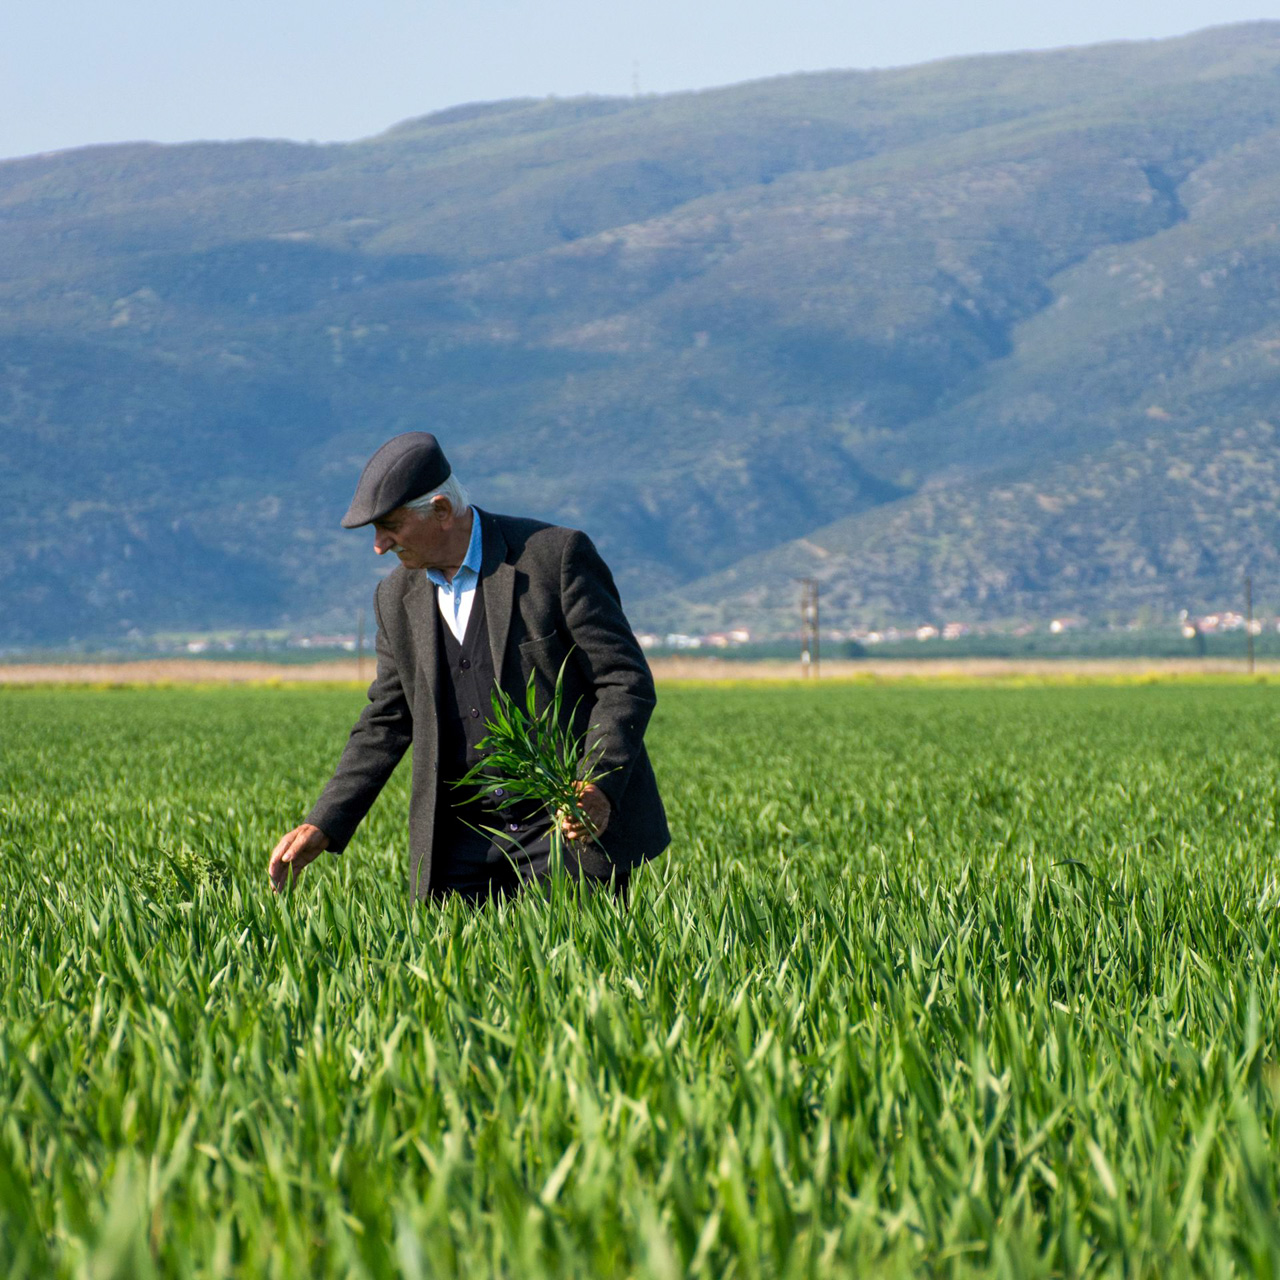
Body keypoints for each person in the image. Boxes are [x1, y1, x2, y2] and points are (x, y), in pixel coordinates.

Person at [267, 431, 669, 901]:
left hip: (564, 831)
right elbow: (387, 719)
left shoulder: (553, 559)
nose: (379, 546)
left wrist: (595, 784)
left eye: (389, 526)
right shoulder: (395, 600)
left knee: (579, 970)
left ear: (440, 510)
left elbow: (624, 679)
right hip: (460, 843)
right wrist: (325, 822)